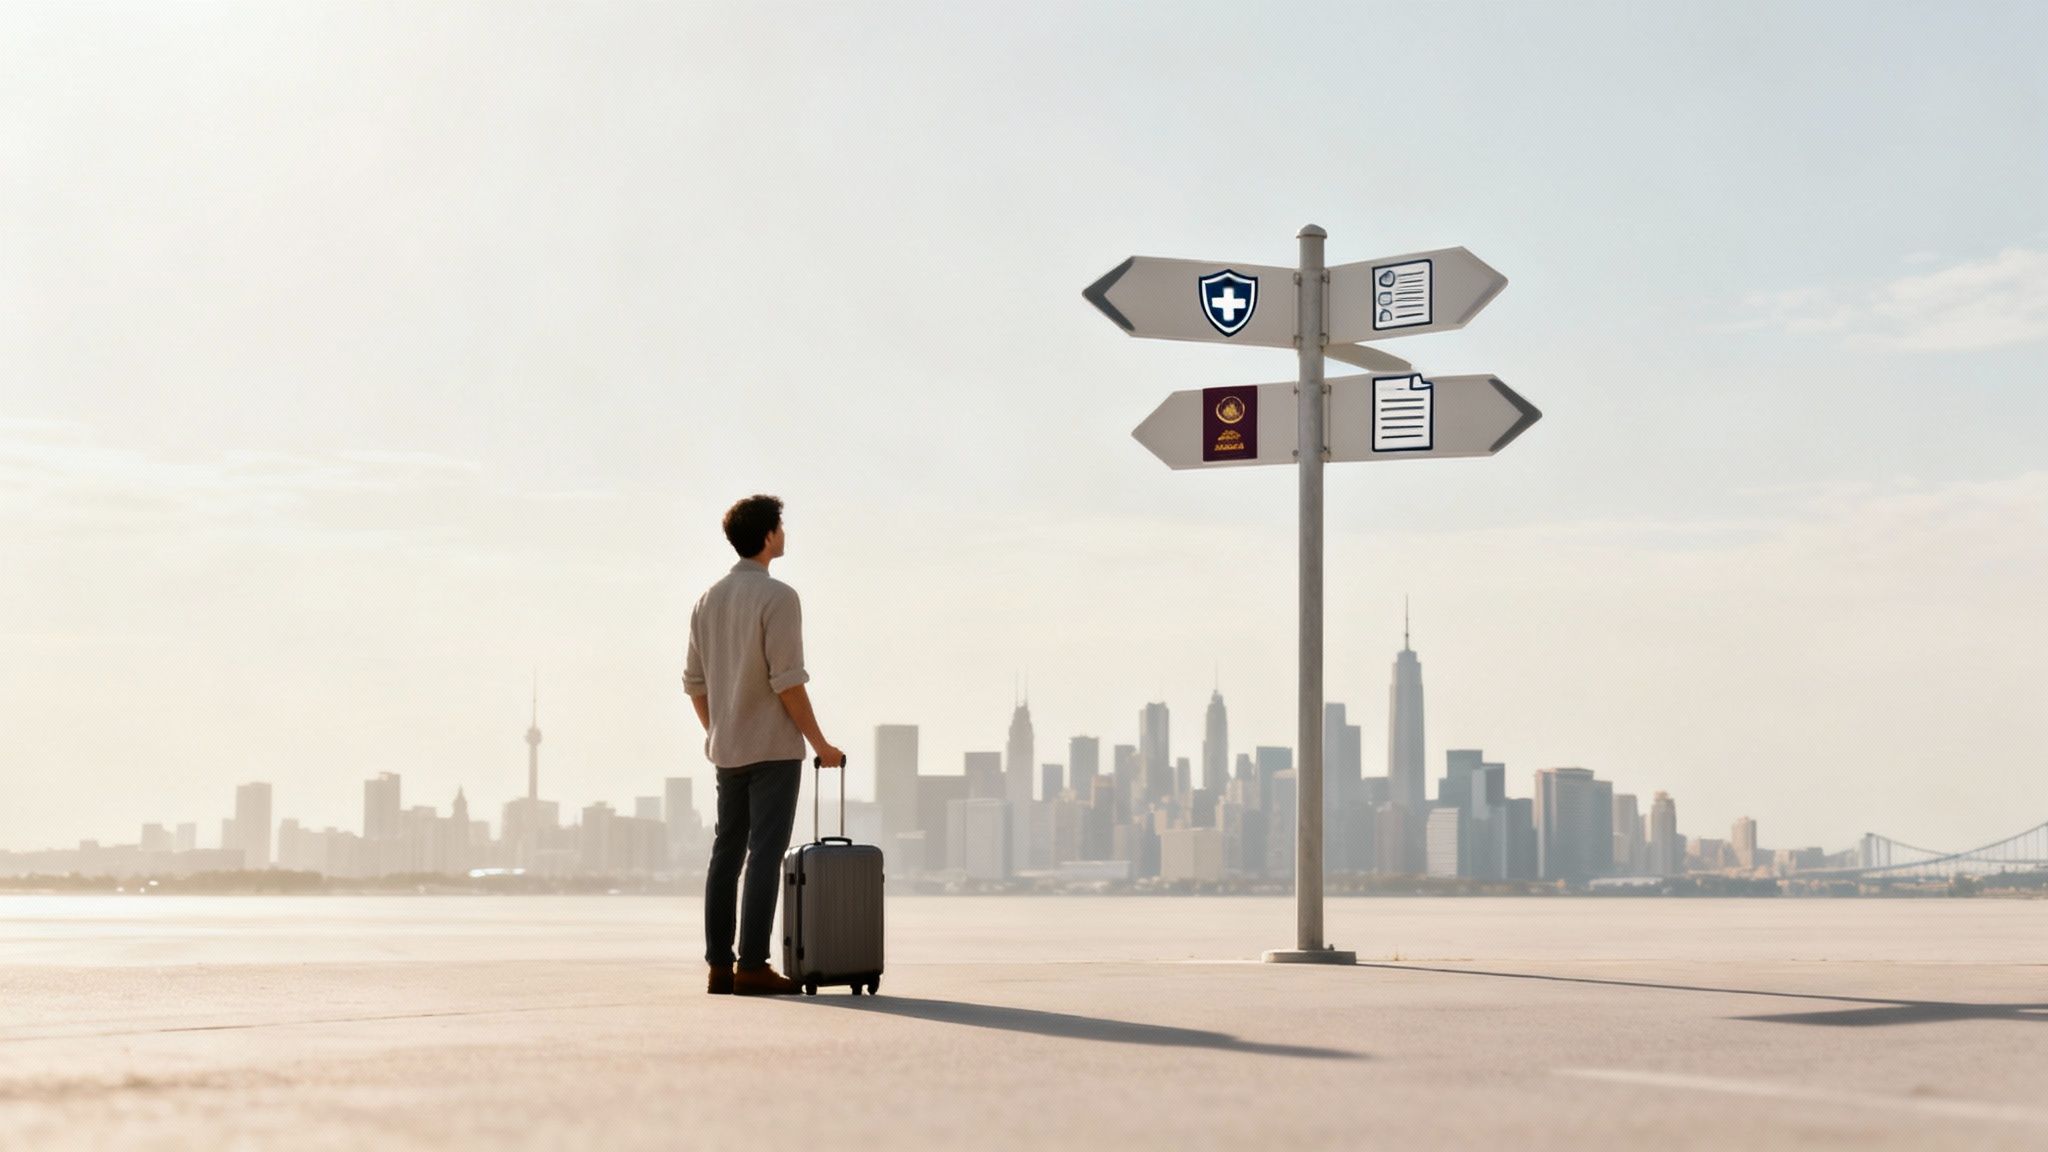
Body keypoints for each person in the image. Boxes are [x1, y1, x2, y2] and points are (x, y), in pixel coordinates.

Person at [684, 494, 845, 996]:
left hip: (727, 750)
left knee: (726, 855)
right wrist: (821, 744)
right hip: (773, 749)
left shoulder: (707, 600)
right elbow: (788, 682)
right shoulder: (779, 598)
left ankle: (719, 967)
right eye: (781, 525)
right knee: (764, 855)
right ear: (769, 535)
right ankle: (752, 966)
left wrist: (716, 729)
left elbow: (694, 684)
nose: (785, 533)